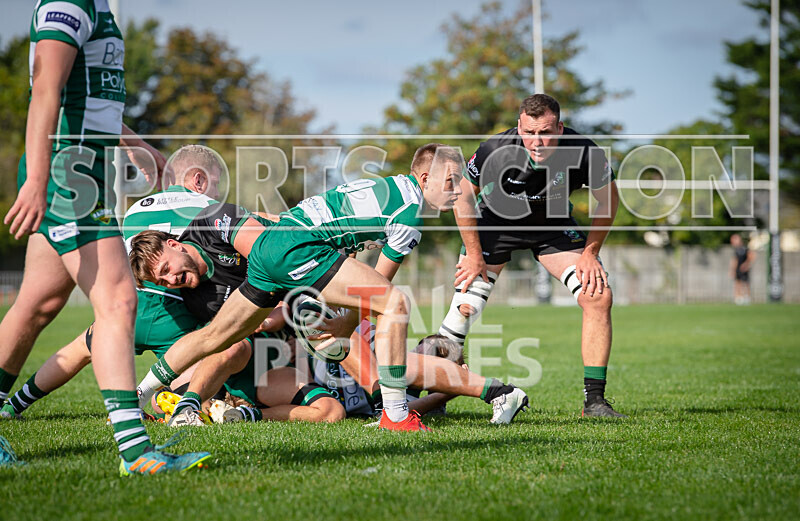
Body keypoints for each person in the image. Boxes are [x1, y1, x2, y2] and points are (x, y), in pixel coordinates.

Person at [0, 0, 208, 473]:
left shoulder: (97, 10)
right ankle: (137, 453)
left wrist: (137, 146)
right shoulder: (66, 3)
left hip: (78, 176)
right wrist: (37, 180)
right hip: (65, 176)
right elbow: (46, 91)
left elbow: (90, 100)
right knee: (118, 301)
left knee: (38, 303)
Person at [131, 143, 464, 431]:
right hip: (291, 247)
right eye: (450, 181)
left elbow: (346, 262)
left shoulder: (385, 188)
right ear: (425, 179)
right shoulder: (409, 214)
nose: (458, 190)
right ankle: (394, 414)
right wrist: (338, 321)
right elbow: (378, 289)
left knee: (214, 336)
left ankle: (138, 397)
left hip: (278, 248)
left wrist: (341, 324)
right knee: (395, 304)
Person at [438, 93, 625, 418]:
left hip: (552, 225)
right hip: (496, 224)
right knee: (463, 311)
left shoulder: (585, 151)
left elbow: (608, 199)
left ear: (561, 128)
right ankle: (435, 396)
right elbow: (463, 194)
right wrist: (472, 254)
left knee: (598, 296)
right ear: (519, 127)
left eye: (546, 132)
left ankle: (594, 402)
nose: (536, 141)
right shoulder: (495, 149)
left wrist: (590, 252)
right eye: (529, 132)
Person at [730, 234, 754, 305]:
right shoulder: (736, 250)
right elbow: (734, 260)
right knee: (738, 283)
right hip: (738, 269)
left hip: (744, 269)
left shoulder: (745, 248)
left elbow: (752, 256)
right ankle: (738, 298)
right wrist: (732, 270)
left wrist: (746, 264)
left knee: (746, 283)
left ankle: (747, 298)